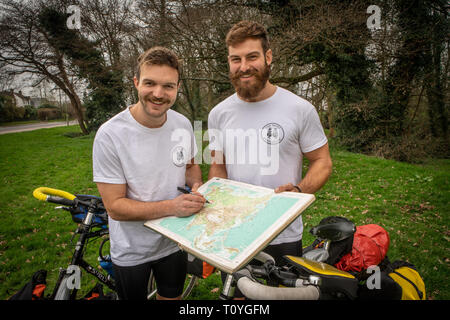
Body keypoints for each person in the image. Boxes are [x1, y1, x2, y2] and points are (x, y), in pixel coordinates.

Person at [207, 21, 332, 297]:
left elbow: (323, 161)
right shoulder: (218, 114)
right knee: (238, 298)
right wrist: (212, 209)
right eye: (235, 59)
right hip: (234, 234)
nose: (244, 66)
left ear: (268, 57)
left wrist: (299, 192)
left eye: (252, 57)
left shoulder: (300, 109)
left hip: (283, 234)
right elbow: (217, 166)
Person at [92, 47, 206, 300]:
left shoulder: (184, 124)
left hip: (173, 241)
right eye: (150, 83)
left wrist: (197, 185)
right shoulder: (110, 134)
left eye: (168, 86)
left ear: (177, 87)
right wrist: (173, 206)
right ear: (136, 83)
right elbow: (115, 207)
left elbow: (190, 166)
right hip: (132, 250)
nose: (158, 94)